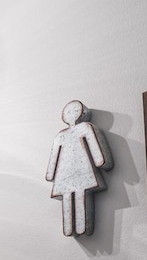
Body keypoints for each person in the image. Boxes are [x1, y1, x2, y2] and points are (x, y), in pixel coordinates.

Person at [45, 100, 113, 236]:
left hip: (83, 169)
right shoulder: (60, 135)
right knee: (67, 198)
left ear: (82, 113)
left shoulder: (86, 128)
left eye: (76, 111)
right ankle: (69, 228)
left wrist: (100, 161)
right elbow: (54, 157)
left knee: (80, 195)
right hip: (64, 172)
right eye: (68, 112)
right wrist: (50, 174)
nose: (72, 114)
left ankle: (82, 227)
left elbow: (95, 146)